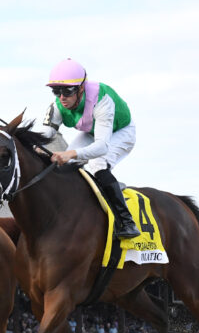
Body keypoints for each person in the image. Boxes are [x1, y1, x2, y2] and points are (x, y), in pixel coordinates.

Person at [41, 58, 140, 238]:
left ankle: (127, 221)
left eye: (67, 91)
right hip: (92, 132)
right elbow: (45, 135)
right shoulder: (57, 106)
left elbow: (102, 147)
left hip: (121, 131)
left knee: (97, 165)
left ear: (81, 88)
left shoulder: (102, 101)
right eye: (56, 91)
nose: (62, 97)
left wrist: (70, 153)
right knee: (65, 165)